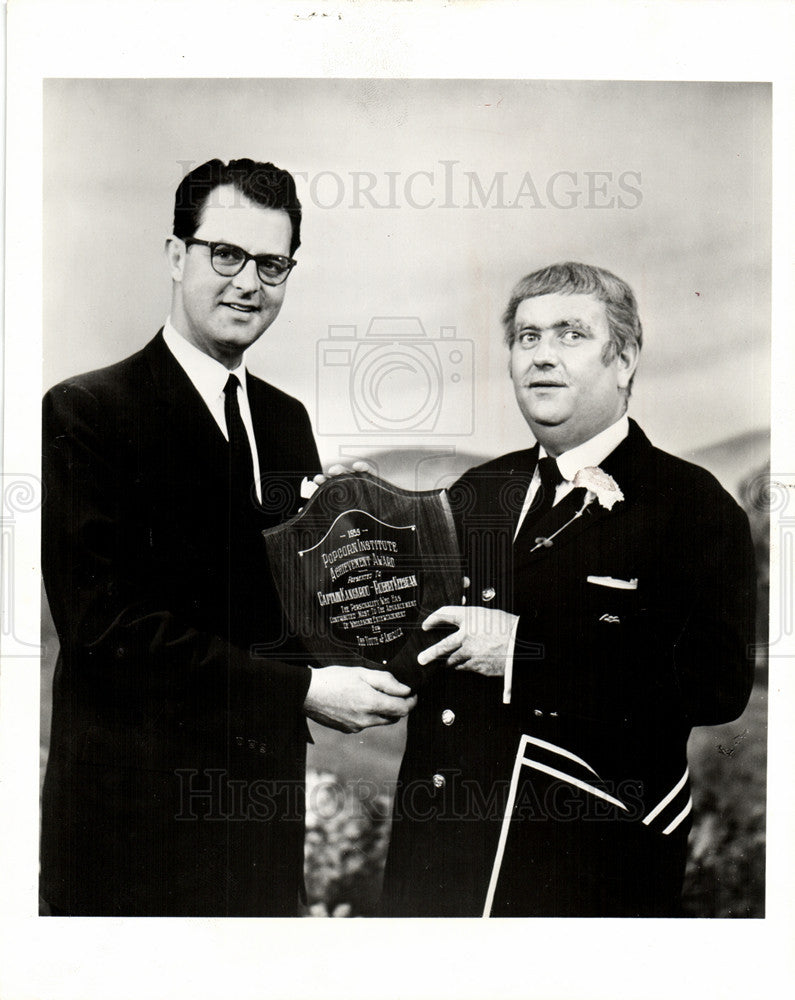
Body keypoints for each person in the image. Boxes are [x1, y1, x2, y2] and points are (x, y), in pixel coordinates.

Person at [40, 158, 416, 917]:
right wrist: (306, 690)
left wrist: (370, 550)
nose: (249, 282)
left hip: (260, 821)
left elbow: (297, 616)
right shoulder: (87, 412)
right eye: (227, 254)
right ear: (176, 256)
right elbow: (106, 630)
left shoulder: (284, 422)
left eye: (272, 264)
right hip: (132, 828)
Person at [381, 262, 756, 917]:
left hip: (586, 870)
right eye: (526, 338)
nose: (542, 357)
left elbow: (715, 683)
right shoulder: (476, 495)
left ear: (624, 358)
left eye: (569, 335)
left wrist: (526, 652)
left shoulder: (691, 505)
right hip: (438, 864)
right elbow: (421, 641)